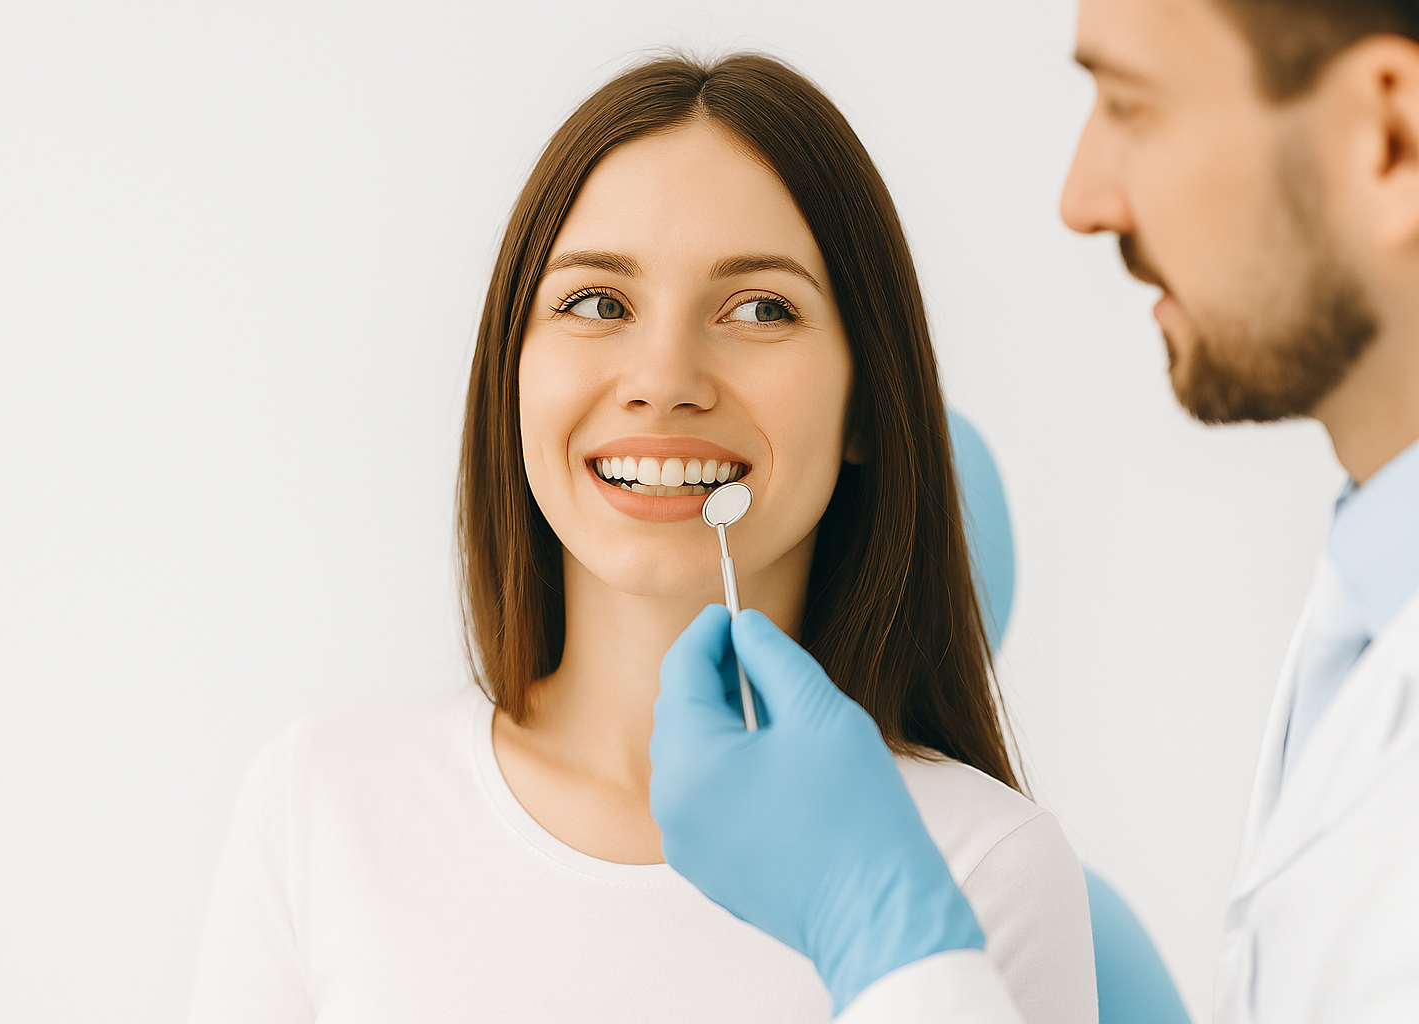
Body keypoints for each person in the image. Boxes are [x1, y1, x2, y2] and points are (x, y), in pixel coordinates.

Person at [186, 54, 1098, 1023]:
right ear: (511, 376)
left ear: (868, 402)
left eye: (759, 309)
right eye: (597, 303)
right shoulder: (322, 803)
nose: (664, 378)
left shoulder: (978, 869)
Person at [649, 0, 1419, 1021]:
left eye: (1132, 106)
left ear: (1388, 139)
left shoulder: (998, 863)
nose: (1080, 197)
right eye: (595, 302)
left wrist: (887, 939)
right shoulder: (1365, 618)